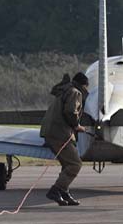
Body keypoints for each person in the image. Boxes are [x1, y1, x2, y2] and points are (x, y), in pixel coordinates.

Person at [40, 72, 89, 206]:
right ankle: (56, 190)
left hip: (50, 132)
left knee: (67, 165)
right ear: (84, 85)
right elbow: (70, 111)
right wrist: (76, 125)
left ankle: (64, 194)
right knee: (75, 164)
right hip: (59, 133)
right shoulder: (75, 92)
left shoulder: (63, 91)